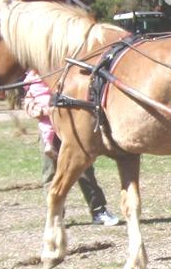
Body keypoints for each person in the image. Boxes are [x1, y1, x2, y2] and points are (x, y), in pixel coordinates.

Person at [22, 70, 119, 226]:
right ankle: (56, 215)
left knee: (84, 171)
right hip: (48, 132)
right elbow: (28, 104)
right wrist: (39, 110)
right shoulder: (34, 79)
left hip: (70, 129)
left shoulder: (63, 72)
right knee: (50, 173)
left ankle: (98, 210)